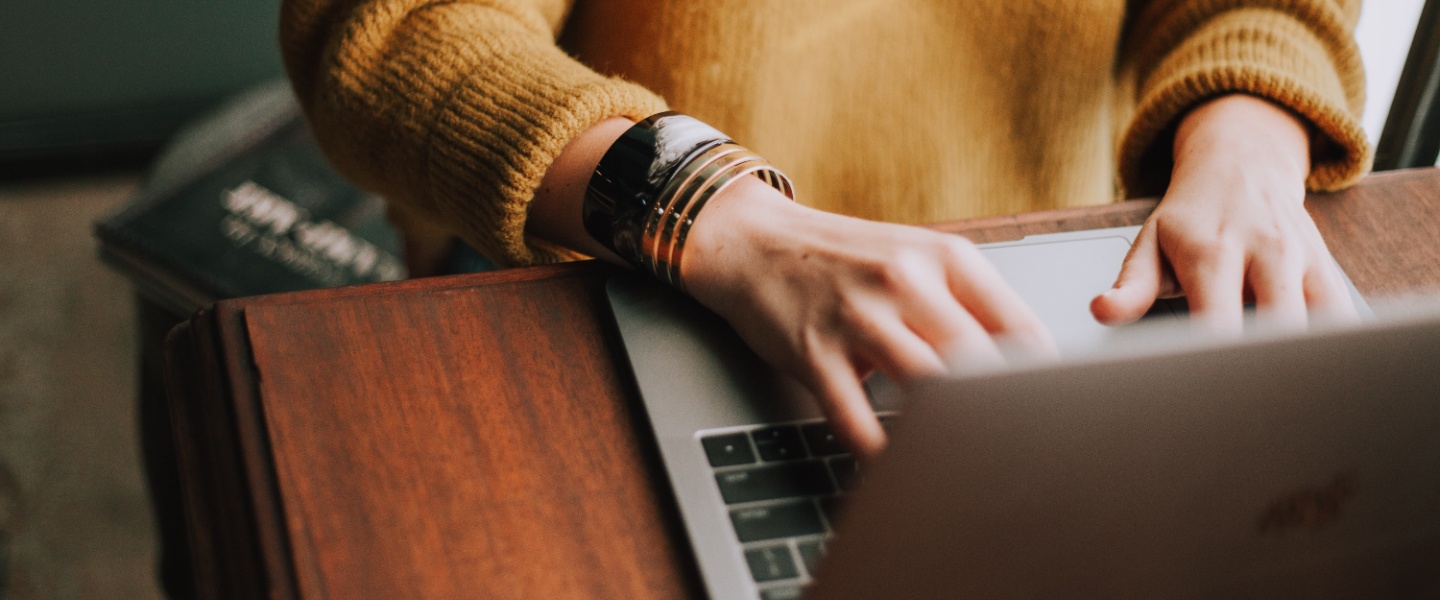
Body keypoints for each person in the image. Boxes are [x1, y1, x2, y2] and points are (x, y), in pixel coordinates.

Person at [279, 0, 1370, 458]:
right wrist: (712, 211)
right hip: (617, 271)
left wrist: (1248, 137)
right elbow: (387, 31)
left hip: (1047, 301)